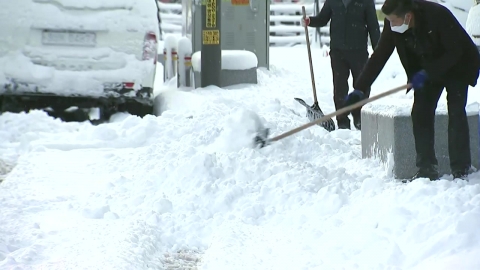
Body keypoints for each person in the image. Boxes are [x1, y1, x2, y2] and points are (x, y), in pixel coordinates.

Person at [344, 0, 480, 181]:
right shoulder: (394, 23)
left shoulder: (436, 14)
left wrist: (428, 72)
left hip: (457, 65)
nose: (390, 25)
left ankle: (461, 169)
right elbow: (380, 55)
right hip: (426, 68)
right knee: (420, 112)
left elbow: (455, 51)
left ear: (408, 16)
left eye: (393, 21)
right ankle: (426, 169)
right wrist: (359, 88)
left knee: (455, 111)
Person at [301, 0, 380, 130]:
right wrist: (310, 21)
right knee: (339, 86)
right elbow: (322, 19)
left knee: (362, 86)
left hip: (359, 51)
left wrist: (379, 49)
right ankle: (342, 120)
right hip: (338, 52)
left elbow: (373, 25)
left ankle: (359, 116)